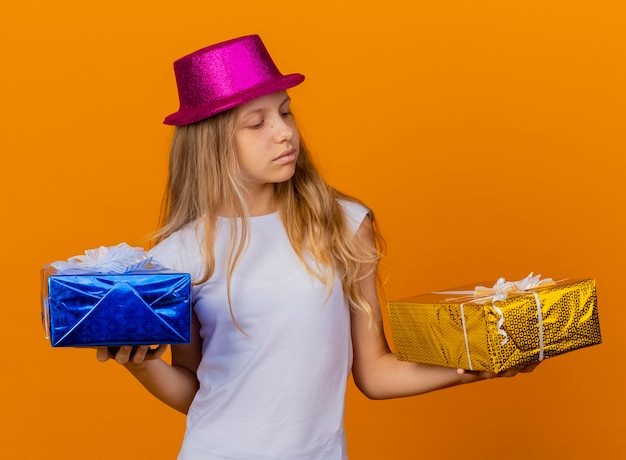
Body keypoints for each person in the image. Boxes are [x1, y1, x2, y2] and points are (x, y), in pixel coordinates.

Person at [95, 34, 537, 459]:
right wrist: (141, 364)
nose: (284, 132)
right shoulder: (180, 256)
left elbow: (375, 372)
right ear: (211, 144)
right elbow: (198, 389)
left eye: (285, 113)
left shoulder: (343, 225)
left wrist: (473, 367)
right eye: (257, 122)